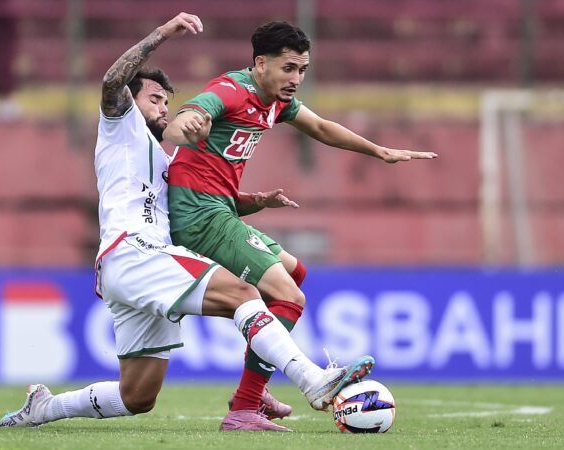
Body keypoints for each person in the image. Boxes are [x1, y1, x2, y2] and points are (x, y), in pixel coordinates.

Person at [0, 12, 374, 433]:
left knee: (136, 397)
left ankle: (44, 407)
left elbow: (191, 204)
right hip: (134, 250)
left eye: (167, 101)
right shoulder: (121, 127)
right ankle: (311, 379)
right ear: (131, 100)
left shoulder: (166, 159)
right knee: (243, 293)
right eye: (154, 98)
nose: (163, 106)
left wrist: (252, 202)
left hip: (137, 264)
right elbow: (110, 83)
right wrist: (162, 33)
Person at [163, 21, 437, 425]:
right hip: (200, 215)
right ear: (260, 63)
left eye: (303, 69)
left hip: (221, 210)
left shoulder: (276, 102)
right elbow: (187, 115)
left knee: (296, 272)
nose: (297, 79)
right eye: (289, 68)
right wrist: (181, 126)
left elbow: (323, 128)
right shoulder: (232, 90)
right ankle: (245, 405)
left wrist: (379, 151)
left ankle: (257, 383)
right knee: (289, 297)